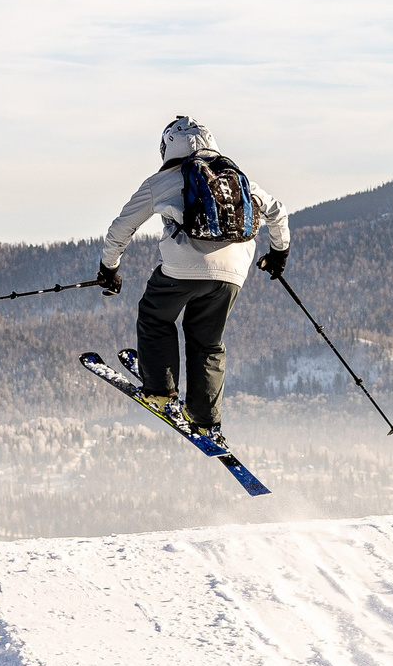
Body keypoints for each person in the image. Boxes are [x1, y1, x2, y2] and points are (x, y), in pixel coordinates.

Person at [95, 116, 290, 439]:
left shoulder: (163, 181)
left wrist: (109, 268)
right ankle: (205, 418)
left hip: (182, 267)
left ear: (168, 147)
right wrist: (278, 255)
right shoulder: (238, 180)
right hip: (233, 272)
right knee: (208, 342)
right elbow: (277, 212)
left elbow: (122, 227)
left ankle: (159, 389)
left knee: (155, 317)